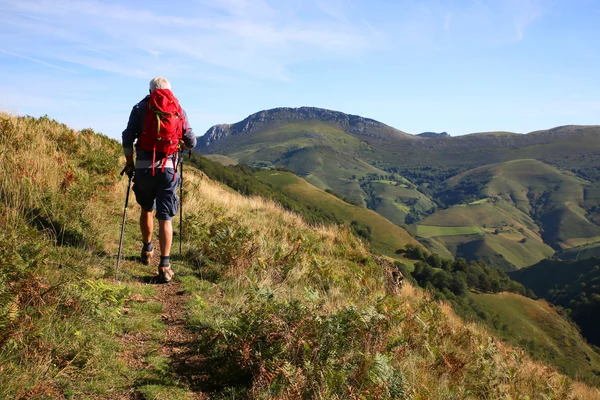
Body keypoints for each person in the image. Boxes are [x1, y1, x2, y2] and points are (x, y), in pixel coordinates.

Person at [122, 77, 196, 282]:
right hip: (169, 169)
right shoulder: (177, 108)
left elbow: (127, 137)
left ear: (150, 90)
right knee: (166, 216)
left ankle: (147, 250)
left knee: (147, 208)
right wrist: (181, 146)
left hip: (144, 168)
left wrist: (130, 163)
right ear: (170, 91)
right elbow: (191, 140)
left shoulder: (139, 108)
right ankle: (164, 266)